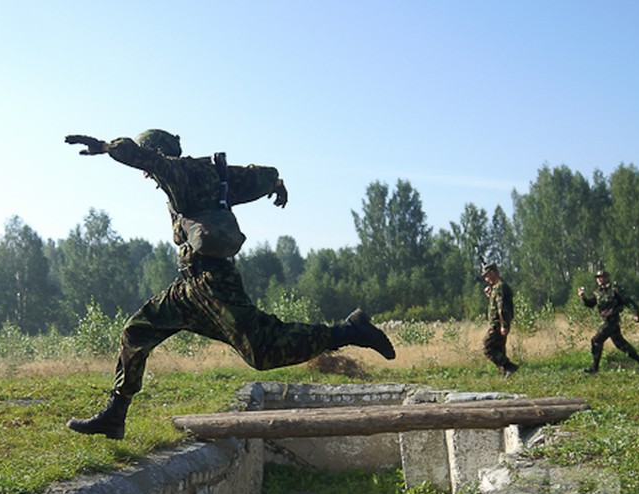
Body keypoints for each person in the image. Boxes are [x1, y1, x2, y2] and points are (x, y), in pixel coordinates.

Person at [63, 129, 396, 440]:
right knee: (136, 332)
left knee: (262, 352)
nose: (147, 176)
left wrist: (107, 147)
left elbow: (139, 156)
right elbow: (259, 175)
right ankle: (115, 415)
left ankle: (349, 331)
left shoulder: (176, 171)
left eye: (149, 168)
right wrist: (275, 183)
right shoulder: (212, 174)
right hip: (188, 287)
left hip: (213, 283)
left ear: (158, 154)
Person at [578, 269, 639, 373]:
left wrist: (636, 313)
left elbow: (628, 301)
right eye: (598, 278)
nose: (600, 280)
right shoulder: (597, 292)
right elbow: (590, 304)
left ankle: (595, 368)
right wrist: (583, 297)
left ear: (607, 278)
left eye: (602, 277)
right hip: (606, 320)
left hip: (612, 320)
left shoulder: (615, 290)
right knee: (621, 344)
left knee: (596, 340)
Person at [481, 263, 519, 377]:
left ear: (493, 273)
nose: (486, 279)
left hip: (498, 324)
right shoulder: (498, 287)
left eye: (487, 276)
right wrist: (490, 293)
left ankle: (509, 366)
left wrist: (504, 325)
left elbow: (502, 308)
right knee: (499, 349)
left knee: (487, 347)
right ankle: (505, 373)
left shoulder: (500, 288)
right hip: (499, 323)